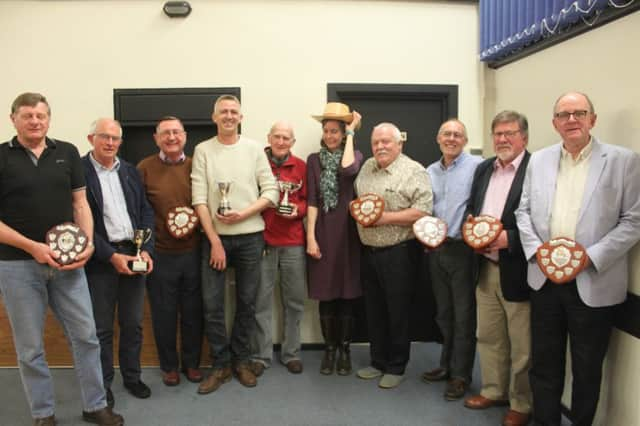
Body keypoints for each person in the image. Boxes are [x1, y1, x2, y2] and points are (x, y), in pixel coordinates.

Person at [515, 92, 640, 426]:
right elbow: (522, 211)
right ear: (555, 122)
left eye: (579, 113)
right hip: (544, 283)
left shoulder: (624, 161)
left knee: (586, 369)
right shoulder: (538, 160)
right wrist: (537, 253)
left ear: (592, 120)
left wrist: (589, 258)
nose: (571, 119)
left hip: (594, 283)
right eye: (564, 114)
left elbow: (634, 220)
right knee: (544, 365)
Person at [0, 93, 123, 426]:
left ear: (49, 119)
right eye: (27, 115)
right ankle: (43, 413)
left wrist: (86, 246)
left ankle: (95, 405)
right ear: (14, 119)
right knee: (29, 348)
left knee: (86, 336)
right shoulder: (1, 157)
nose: (35, 121)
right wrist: (32, 247)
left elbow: (80, 203)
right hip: (17, 266)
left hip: (70, 267)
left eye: (41, 115)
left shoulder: (66, 153)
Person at [192, 95, 279, 394]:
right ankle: (221, 364)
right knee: (212, 305)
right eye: (223, 112)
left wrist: (244, 213)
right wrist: (214, 239)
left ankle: (242, 360)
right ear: (214, 117)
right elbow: (199, 199)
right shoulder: (203, 150)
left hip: (251, 237)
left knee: (247, 303)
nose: (229, 116)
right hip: (215, 240)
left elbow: (272, 192)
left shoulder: (254, 149)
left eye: (234, 112)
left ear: (241, 117)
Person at [463, 111, 532, 426]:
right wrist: (470, 227)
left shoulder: (536, 169)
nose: (503, 139)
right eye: (498, 133)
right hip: (485, 266)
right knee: (488, 335)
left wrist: (511, 240)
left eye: (510, 133)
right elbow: (472, 207)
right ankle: (493, 389)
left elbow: (544, 221)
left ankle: (521, 402)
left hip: (517, 268)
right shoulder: (483, 169)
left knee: (522, 343)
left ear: (524, 137)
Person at [83, 118, 155, 406]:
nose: (110, 143)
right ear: (91, 139)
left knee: (133, 323)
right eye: (104, 137)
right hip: (101, 260)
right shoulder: (78, 171)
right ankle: (104, 384)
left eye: (115, 138)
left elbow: (145, 212)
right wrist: (110, 255)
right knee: (101, 328)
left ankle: (132, 376)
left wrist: (147, 248)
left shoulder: (129, 171)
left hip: (134, 255)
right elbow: (78, 222)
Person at [354, 123, 432, 389]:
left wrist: (383, 218)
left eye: (387, 142)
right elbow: (359, 200)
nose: (380, 147)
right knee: (374, 310)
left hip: (399, 253)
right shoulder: (367, 168)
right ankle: (377, 361)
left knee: (397, 312)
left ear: (400, 144)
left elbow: (423, 211)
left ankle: (396, 366)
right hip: (369, 251)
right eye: (376, 142)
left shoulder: (413, 171)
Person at [137, 116, 203, 386]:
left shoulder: (197, 166)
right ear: (156, 138)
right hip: (160, 254)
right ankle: (169, 366)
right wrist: (142, 249)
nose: (172, 137)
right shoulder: (143, 168)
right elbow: (138, 211)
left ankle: (192, 364)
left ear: (185, 136)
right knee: (163, 314)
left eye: (176, 132)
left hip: (194, 252)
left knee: (193, 312)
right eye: (166, 133)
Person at [424, 119, 482, 400]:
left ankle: (461, 375)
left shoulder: (478, 167)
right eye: (446, 133)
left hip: (463, 250)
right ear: (438, 139)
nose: (451, 138)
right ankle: (445, 365)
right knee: (444, 313)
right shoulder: (429, 171)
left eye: (457, 134)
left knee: (463, 316)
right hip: (435, 250)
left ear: (465, 140)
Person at [307, 102, 363, 376]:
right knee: (326, 295)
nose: (330, 136)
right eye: (327, 131)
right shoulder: (313, 160)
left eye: (336, 131)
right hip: (323, 233)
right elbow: (312, 201)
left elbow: (348, 171)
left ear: (343, 134)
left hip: (349, 235)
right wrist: (310, 238)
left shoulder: (357, 155)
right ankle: (329, 350)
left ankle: (345, 349)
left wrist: (351, 134)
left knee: (347, 294)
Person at [250, 121, 307, 376]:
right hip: (263, 240)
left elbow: (308, 200)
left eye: (286, 138)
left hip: (293, 241)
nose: (281, 141)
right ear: (269, 138)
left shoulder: (302, 167)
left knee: (294, 301)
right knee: (261, 301)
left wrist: (299, 210)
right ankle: (261, 356)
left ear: (292, 142)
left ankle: (291, 353)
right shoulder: (256, 162)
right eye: (277, 137)